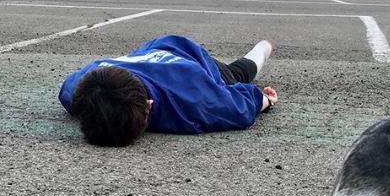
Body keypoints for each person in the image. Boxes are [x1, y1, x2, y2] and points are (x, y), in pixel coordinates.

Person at [58, 35, 278, 147]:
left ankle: (265, 45)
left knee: (236, 74)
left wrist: (266, 100)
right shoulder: (78, 88)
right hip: (157, 48)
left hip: (193, 58)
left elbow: (240, 107)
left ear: (149, 104)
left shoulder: (195, 98)